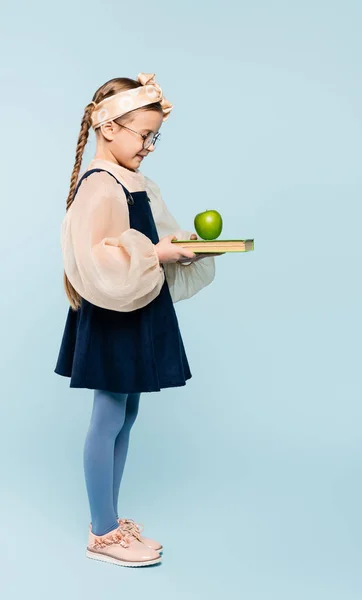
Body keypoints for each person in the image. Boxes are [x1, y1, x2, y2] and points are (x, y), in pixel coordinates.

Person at [54, 72, 224, 567]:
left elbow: (157, 241)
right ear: (108, 128)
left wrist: (182, 250)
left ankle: (109, 519)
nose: (149, 146)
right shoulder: (100, 186)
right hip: (113, 310)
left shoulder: (136, 181)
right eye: (143, 134)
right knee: (107, 416)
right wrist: (158, 252)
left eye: (155, 136)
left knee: (125, 415)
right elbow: (93, 258)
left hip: (136, 306)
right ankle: (102, 533)